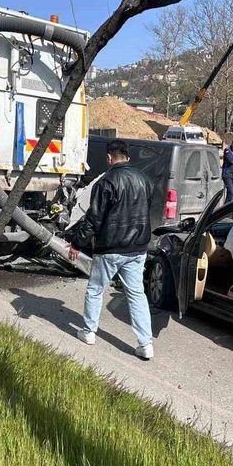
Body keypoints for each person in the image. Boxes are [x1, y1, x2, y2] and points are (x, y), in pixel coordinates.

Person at [69, 139, 155, 360]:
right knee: (136, 294)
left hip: (110, 248)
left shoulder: (106, 182)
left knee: (95, 289)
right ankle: (145, 344)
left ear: (109, 157)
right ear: (128, 156)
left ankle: (89, 332)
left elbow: (94, 218)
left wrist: (77, 243)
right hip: (138, 248)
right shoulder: (145, 180)